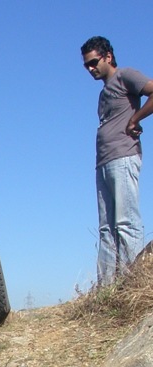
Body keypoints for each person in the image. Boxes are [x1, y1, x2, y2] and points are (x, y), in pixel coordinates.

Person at [81, 36, 153, 285]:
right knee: (106, 229)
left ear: (108, 57)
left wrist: (136, 119)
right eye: (86, 66)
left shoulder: (125, 76)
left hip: (123, 157)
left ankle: (133, 285)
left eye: (93, 62)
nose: (90, 69)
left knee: (126, 223)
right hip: (103, 162)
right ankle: (108, 289)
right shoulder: (103, 94)